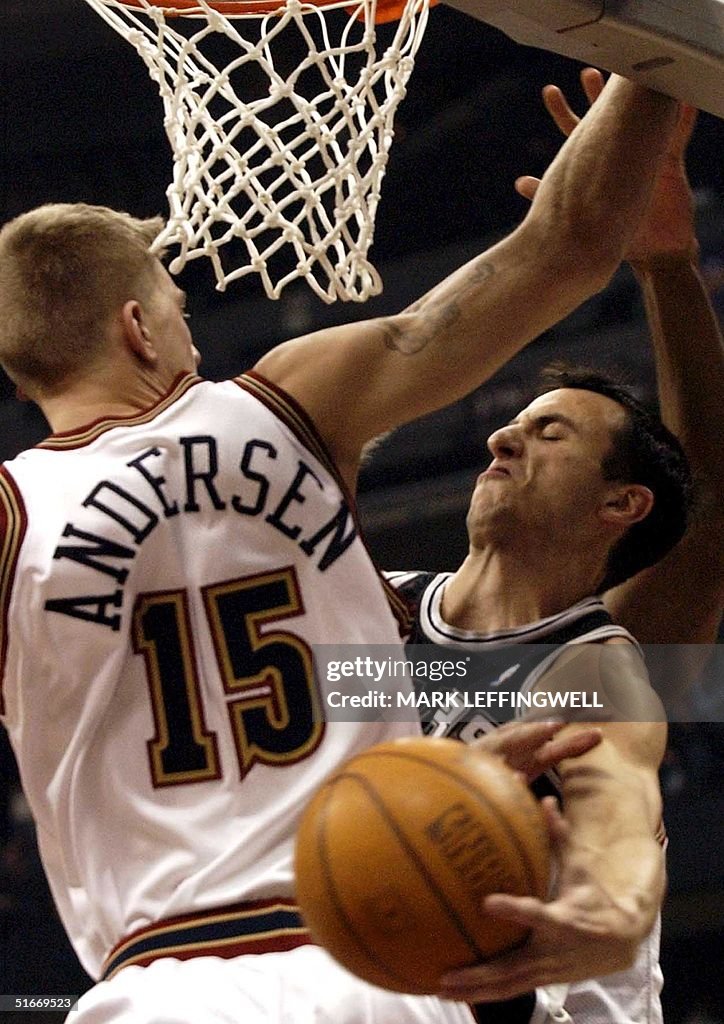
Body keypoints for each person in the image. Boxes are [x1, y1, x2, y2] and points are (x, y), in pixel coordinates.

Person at [0, 75, 680, 1024]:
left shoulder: (12, 518)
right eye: (181, 312)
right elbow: (563, 250)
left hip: (154, 992)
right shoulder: (289, 406)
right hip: (374, 960)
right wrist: (651, 65)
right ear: (139, 327)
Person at [386, 70, 724, 1023]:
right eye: (513, 424)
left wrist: (665, 267)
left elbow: (712, 514)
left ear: (622, 504)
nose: (501, 438)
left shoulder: (605, 655)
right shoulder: (371, 617)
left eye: (550, 434)